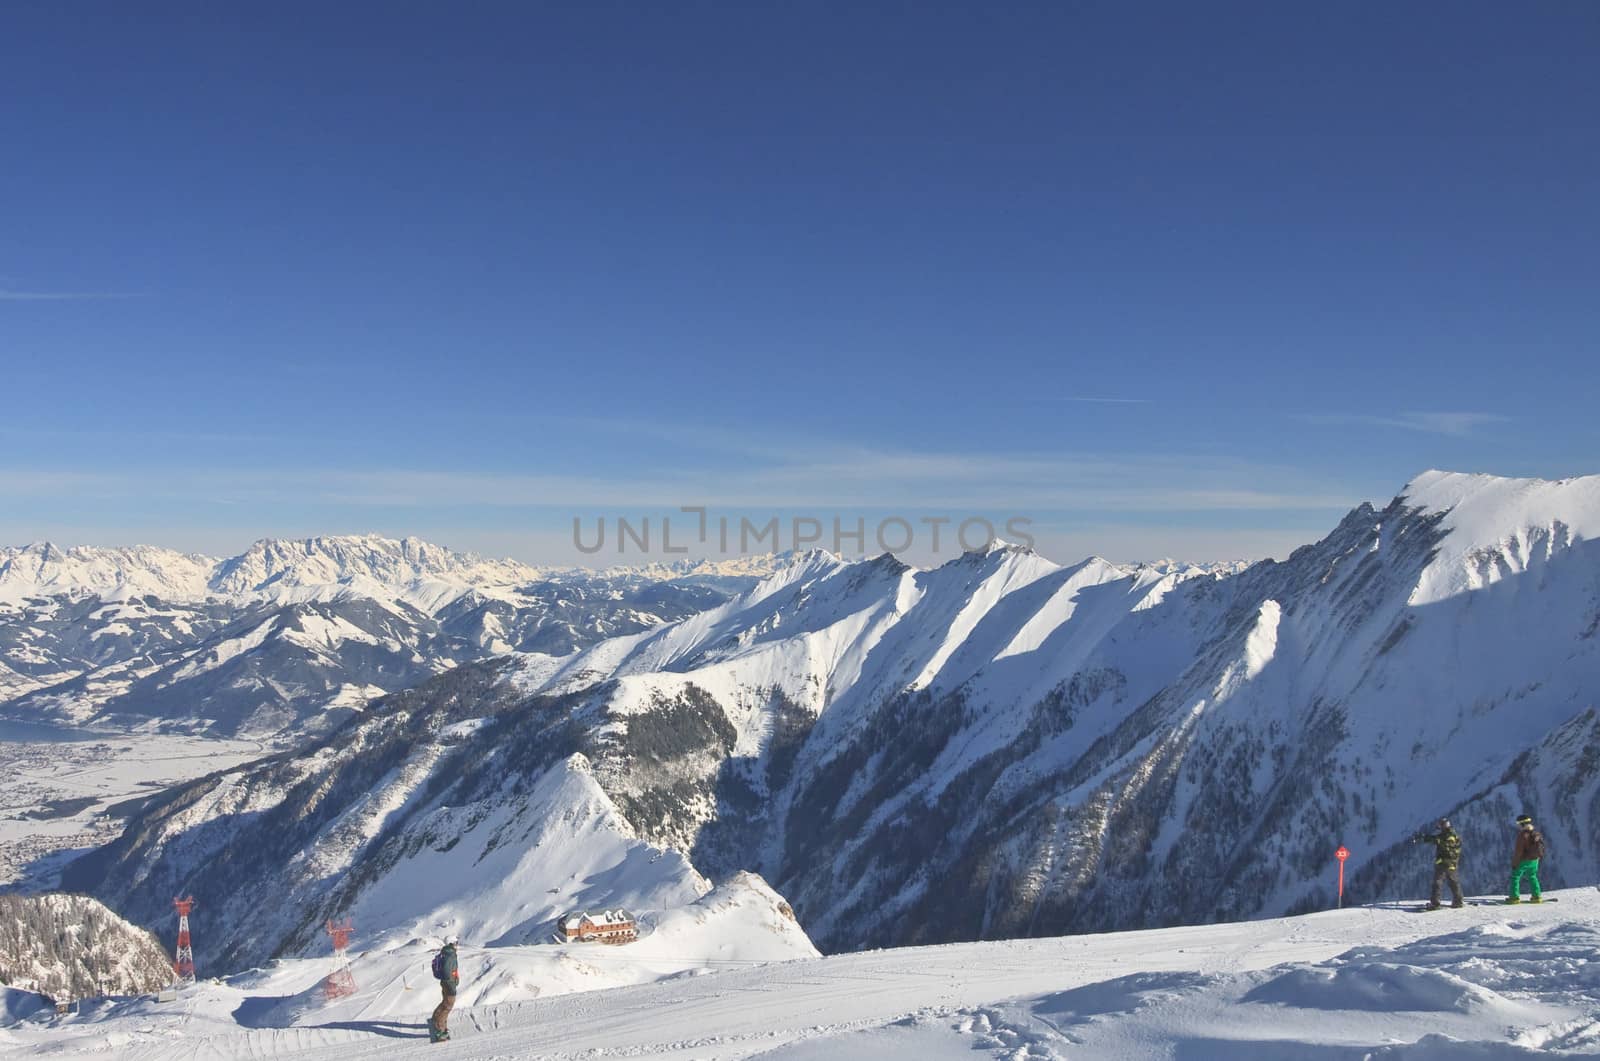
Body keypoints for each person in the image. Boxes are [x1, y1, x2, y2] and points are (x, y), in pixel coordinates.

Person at [1413, 817, 1464, 909]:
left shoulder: (1450, 836)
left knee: (1438, 882)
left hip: (1445, 862)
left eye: (1440, 826)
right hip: (1452, 863)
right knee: (1453, 882)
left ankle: (1435, 903)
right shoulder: (1448, 834)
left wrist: (1437, 841)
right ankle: (1458, 901)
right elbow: (1435, 839)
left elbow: (1445, 844)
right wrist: (1423, 837)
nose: (1439, 828)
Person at [428, 935, 460, 1043]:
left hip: (446, 983)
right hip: (449, 984)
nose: (457, 945)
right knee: (448, 1006)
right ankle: (439, 1030)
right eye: (456, 943)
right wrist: (451, 982)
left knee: (445, 1002)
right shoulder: (450, 954)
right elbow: (447, 971)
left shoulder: (446, 953)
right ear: (451, 943)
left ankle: (435, 1018)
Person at [1507, 814, 1545, 904]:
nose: (1518, 826)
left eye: (1518, 824)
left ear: (1522, 824)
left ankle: (1514, 897)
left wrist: (1514, 863)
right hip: (1535, 860)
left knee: (1515, 877)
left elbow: (1518, 852)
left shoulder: (1523, 835)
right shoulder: (1536, 833)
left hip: (1524, 860)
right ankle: (1537, 896)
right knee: (1532, 876)